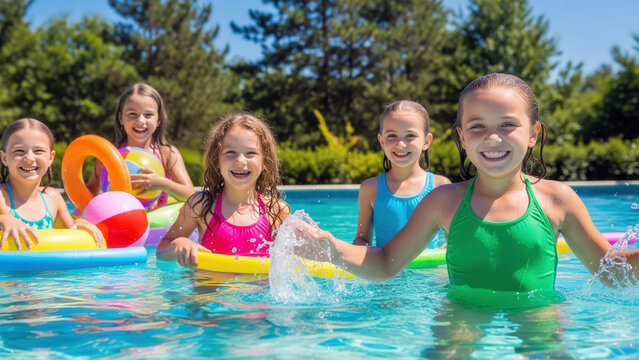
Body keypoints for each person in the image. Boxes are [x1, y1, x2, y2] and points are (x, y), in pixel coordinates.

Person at [298, 73, 639, 292]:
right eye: (477, 126)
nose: (492, 137)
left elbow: (612, 272)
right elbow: (387, 263)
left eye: (507, 125)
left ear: (533, 134)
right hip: (461, 317)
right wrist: (331, 249)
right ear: (461, 137)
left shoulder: (558, 200)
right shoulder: (442, 201)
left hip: (539, 317)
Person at [157, 113, 291, 268]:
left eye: (250, 153)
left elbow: (292, 258)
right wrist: (180, 243)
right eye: (230, 153)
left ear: (264, 161)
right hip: (210, 291)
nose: (240, 161)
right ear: (217, 160)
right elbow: (161, 251)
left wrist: (321, 240)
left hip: (259, 291)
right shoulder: (201, 205)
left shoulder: (276, 210)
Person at [353, 100, 450, 248]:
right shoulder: (370, 189)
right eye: (392, 136)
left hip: (430, 271)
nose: (400, 144)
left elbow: (454, 238)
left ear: (426, 141)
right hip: (387, 271)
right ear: (382, 141)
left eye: (410, 135)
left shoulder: (440, 186)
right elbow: (362, 239)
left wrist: (450, 247)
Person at [86, 83, 194, 210]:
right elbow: (89, 193)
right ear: (121, 118)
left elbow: (191, 195)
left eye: (148, 115)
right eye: (132, 114)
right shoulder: (109, 155)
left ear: (158, 120)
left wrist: (162, 183)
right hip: (119, 221)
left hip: (156, 225)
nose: (141, 121)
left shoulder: (167, 154)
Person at [0, 118, 104, 250]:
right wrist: (3, 219)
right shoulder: (1, 197)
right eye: (19, 151)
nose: (29, 158)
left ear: (50, 158)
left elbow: (71, 235)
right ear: (4, 158)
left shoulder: (52, 199)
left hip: (50, 271)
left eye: (38, 151)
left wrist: (79, 224)